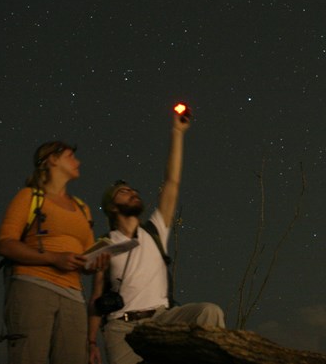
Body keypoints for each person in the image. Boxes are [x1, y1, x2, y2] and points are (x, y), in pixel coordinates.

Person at [88, 112, 225, 364]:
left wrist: (178, 133)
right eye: (123, 192)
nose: (132, 193)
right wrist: (91, 341)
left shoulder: (154, 231)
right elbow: (96, 296)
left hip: (162, 319)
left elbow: (171, 182)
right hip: (121, 328)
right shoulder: (105, 243)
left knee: (209, 312)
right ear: (112, 207)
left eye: (133, 190)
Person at [0, 141, 109, 364]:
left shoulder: (82, 208)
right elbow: (5, 245)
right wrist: (52, 258)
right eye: (71, 156)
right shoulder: (29, 197)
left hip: (73, 296)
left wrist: (95, 262)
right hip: (33, 288)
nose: (78, 162)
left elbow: (85, 256)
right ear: (52, 160)